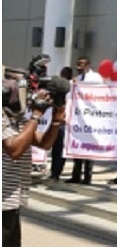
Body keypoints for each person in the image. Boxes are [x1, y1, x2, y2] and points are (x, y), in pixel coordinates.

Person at [3, 73, 65, 246]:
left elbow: (43, 143)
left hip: (12, 198)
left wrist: (56, 120)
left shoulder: (19, 118)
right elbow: (14, 150)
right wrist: (36, 116)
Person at [67, 56, 102, 184]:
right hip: (78, 118)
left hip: (90, 118)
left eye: (81, 65)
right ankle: (76, 176)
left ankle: (87, 177)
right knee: (77, 148)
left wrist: (80, 85)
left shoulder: (95, 77)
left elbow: (98, 92)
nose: (79, 67)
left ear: (88, 65)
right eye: (77, 64)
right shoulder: (76, 79)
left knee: (89, 148)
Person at [48, 66, 73, 181]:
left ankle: (57, 172)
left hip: (66, 123)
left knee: (61, 149)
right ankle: (53, 171)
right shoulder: (58, 89)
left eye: (65, 75)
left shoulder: (73, 89)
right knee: (55, 148)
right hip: (56, 121)